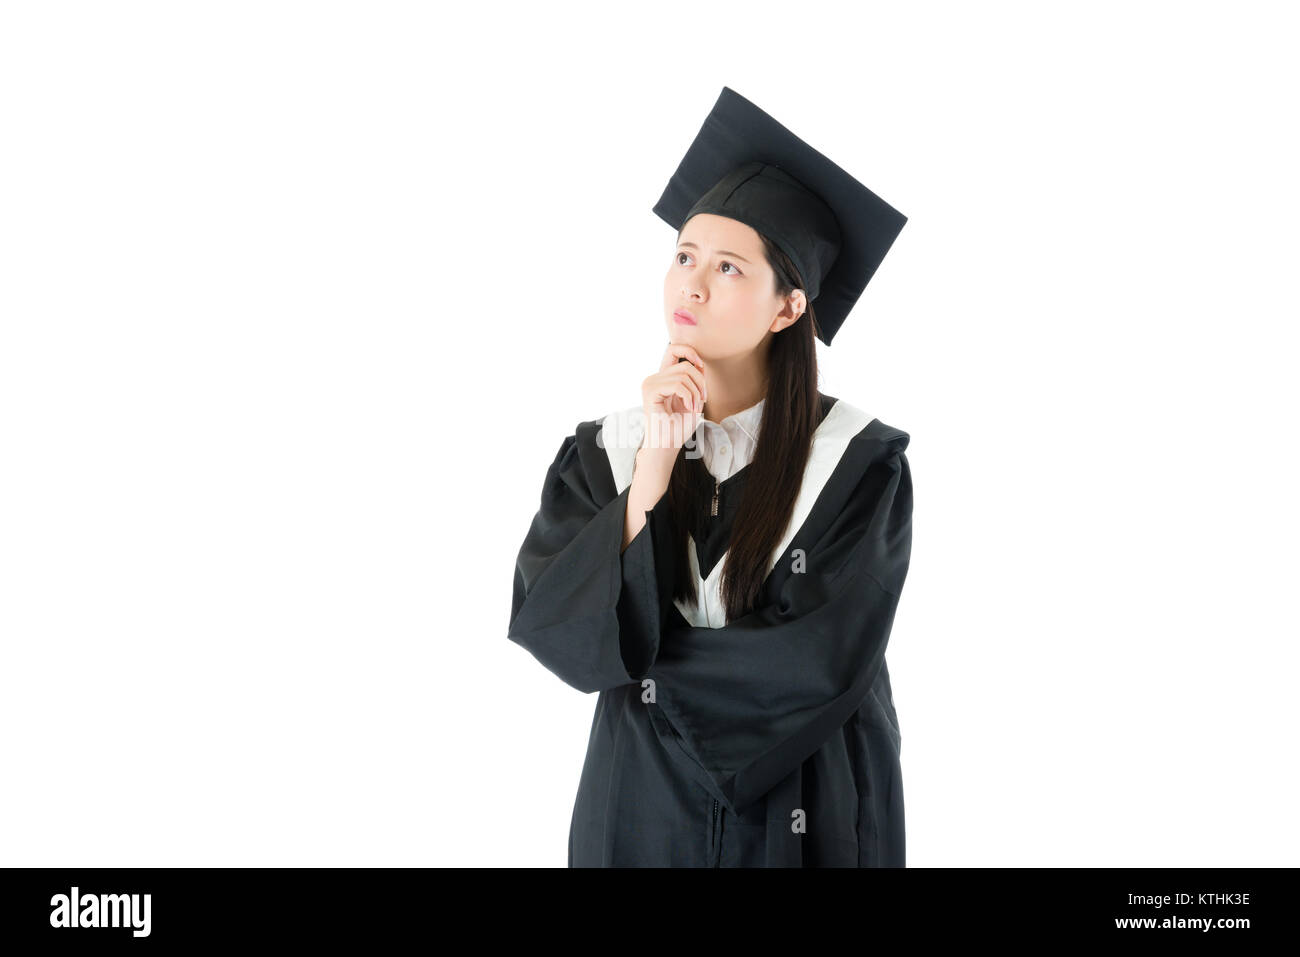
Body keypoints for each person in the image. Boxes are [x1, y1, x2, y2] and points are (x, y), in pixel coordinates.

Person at [508, 87, 913, 867]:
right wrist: (657, 462)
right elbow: (555, 633)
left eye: (729, 267)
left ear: (789, 307)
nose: (691, 285)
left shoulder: (859, 463)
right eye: (684, 256)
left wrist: (640, 654)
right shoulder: (609, 449)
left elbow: (818, 660)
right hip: (638, 807)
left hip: (810, 805)